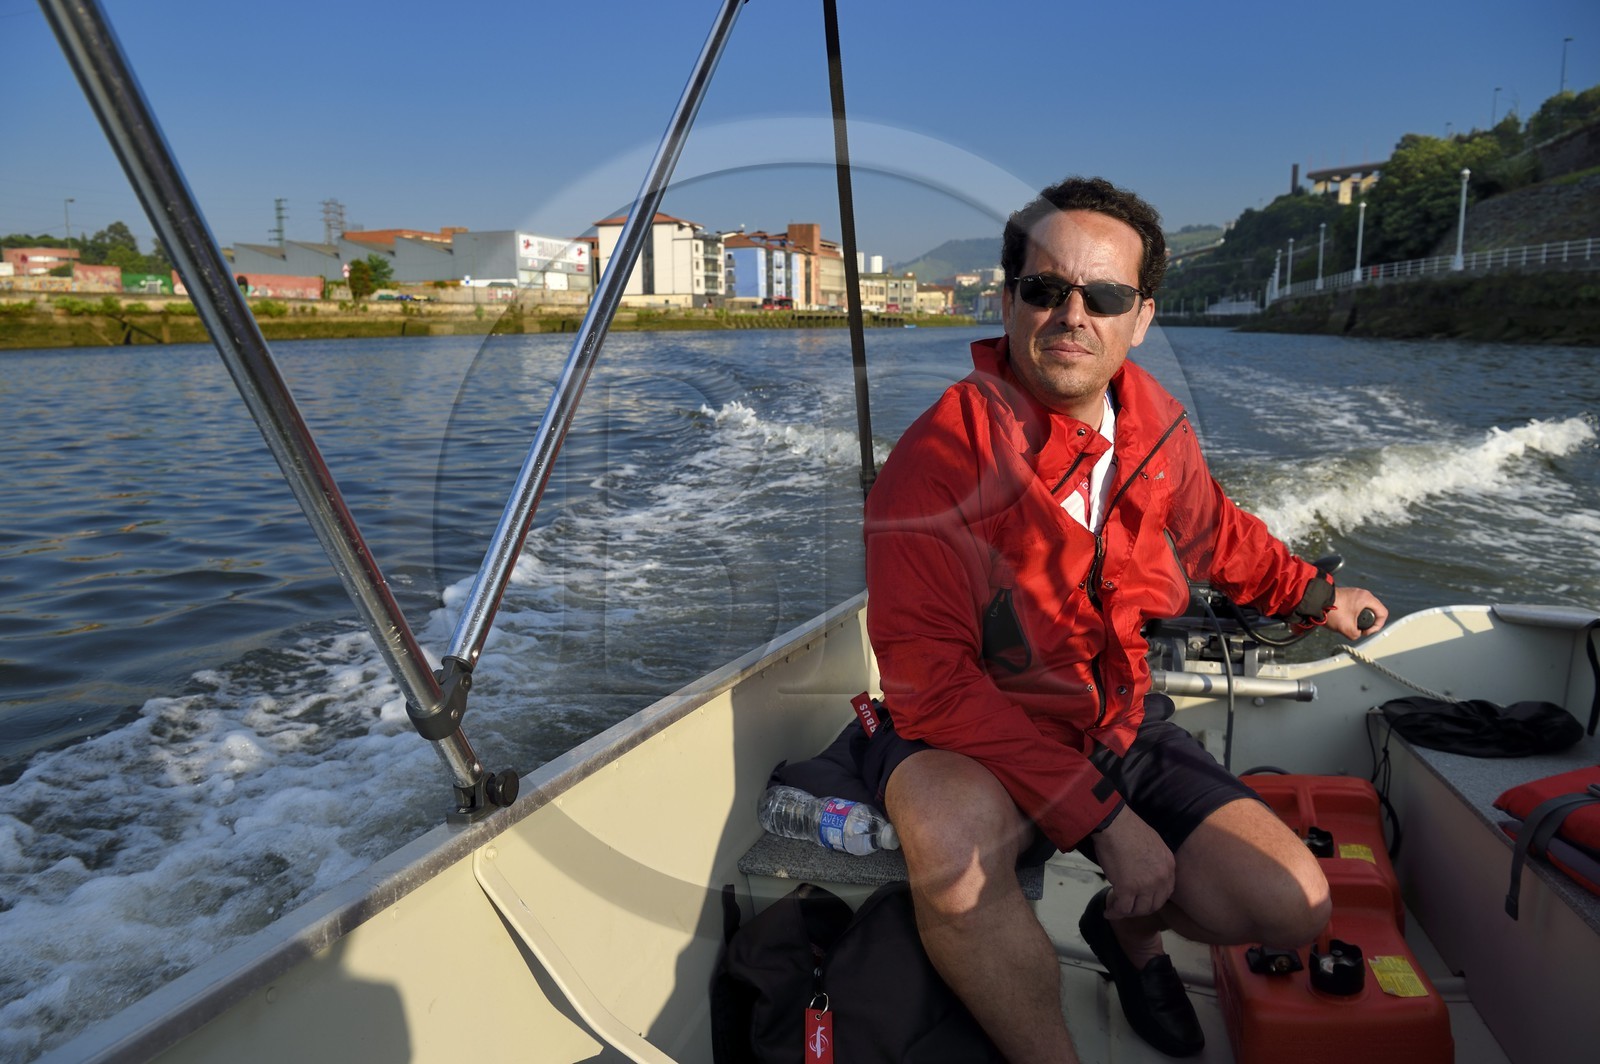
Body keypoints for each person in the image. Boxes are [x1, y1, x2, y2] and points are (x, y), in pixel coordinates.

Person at [860, 176, 1388, 1062]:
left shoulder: (1154, 427)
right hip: (975, 734)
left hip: (1115, 714)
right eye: (1045, 289)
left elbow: (1218, 533)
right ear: (1008, 299)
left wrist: (1316, 598)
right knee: (952, 850)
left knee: (1292, 905)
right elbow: (933, 689)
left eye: (1104, 296)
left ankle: (1126, 936)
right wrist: (1106, 822)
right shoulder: (936, 463)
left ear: (1140, 318)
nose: (1074, 315)